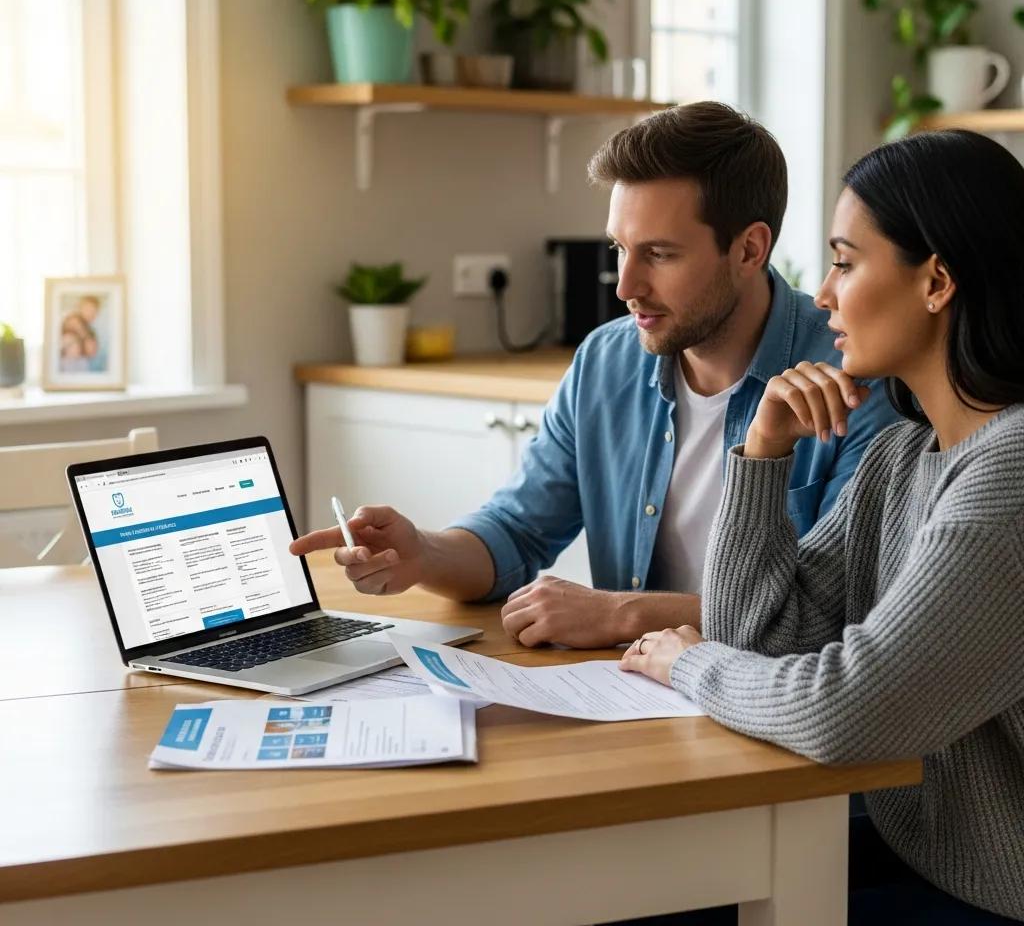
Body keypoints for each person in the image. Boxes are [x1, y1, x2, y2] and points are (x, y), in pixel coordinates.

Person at [291, 102, 898, 649]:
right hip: (635, 700)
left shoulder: (856, 380)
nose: (626, 286)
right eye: (618, 249)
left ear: (748, 249)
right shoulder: (608, 360)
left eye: (659, 254)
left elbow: (833, 615)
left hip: (772, 712)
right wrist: (422, 553)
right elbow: (517, 532)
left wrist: (623, 614)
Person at [622, 129, 1024, 923]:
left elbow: (845, 708)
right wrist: (761, 452)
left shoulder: (1008, 478)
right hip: (924, 855)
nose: (825, 295)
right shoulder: (905, 457)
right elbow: (762, 637)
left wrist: (689, 664)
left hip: (993, 892)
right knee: (637, 889)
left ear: (937, 280)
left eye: (845, 260)